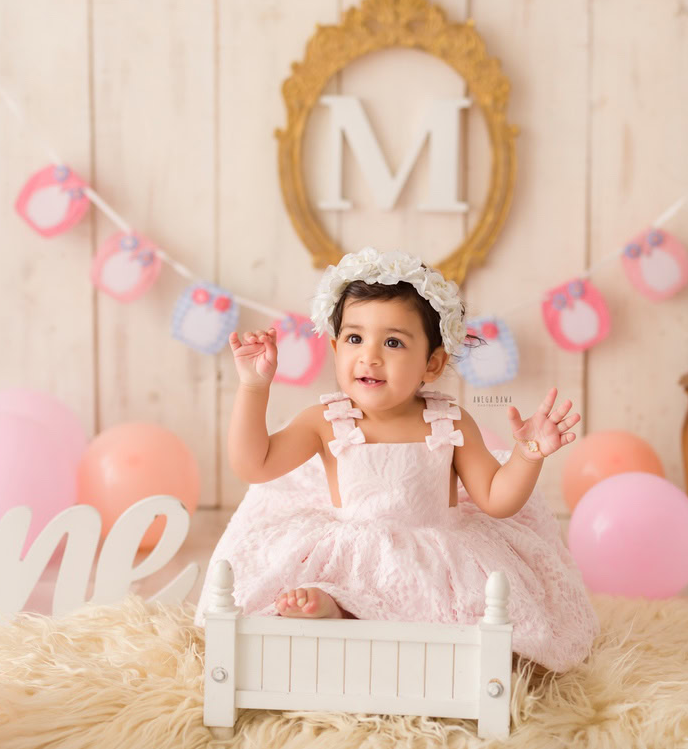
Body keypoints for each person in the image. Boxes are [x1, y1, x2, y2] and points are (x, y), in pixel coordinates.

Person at [194, 247, 598, 672]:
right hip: (355, 545)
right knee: (342, 583)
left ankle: (412, 647)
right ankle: (334, 607)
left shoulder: (451, 421)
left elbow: (497, 499)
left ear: (432, 363)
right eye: (354, 338)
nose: (369, 356)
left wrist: (527, 454)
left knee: (455, 613)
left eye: (392, 342)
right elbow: (253, 465)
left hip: (434, 550)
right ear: (334, 348)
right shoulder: (325, 420)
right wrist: (254, 388)